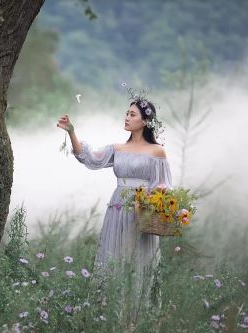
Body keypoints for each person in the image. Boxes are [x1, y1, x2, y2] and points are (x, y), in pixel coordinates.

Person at [56, 99, 172, 330]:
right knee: (113, 259)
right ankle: (109, 317)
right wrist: (71, 131)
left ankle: (136, 320)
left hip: (143, 213)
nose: (127, 117)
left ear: (146, 121)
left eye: (132, 114)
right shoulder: (117, 149)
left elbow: (164, 185)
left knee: (139, 261)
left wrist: (153, 197)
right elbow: (88, 157)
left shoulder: (157, 151)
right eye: (126, 113)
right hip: (118, 210)